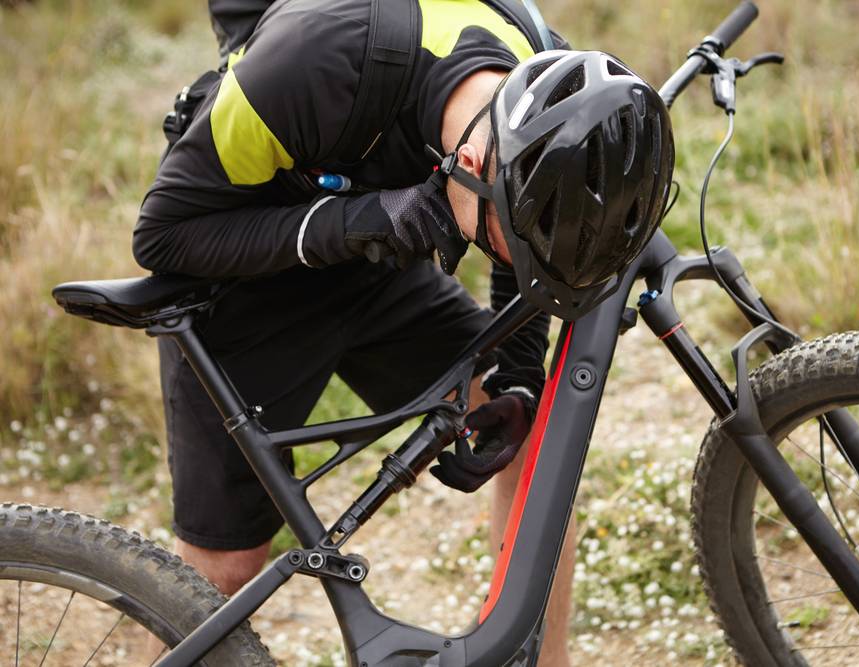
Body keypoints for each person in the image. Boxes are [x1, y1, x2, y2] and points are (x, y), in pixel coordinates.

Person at [133, 1, 674, 665]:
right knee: (222, 570)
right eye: (514, 236)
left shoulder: (544, 79)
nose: (514, 255)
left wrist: (520, 378)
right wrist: (364, 220)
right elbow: (162, 235)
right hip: (244, 276)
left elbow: (529, 264)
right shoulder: (308, 66)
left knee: (538, 446)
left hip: (379, 254)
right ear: (472, 160)